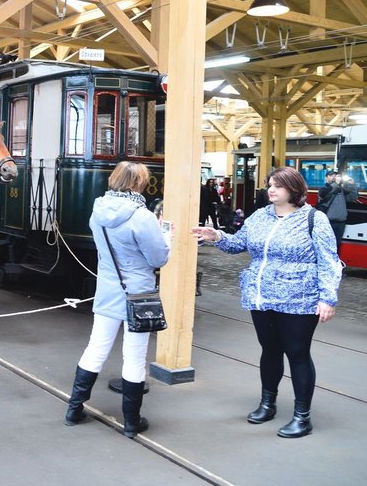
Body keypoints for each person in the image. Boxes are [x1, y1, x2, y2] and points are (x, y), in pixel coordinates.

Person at [192, 166, 342, 439]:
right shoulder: (260, 216)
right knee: (269, 350)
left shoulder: (314, 219)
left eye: (278, 186)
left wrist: (327, 298)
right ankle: (267, 404)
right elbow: (239, 244)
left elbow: (329, 261)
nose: (270, 190)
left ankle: (302, 416)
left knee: (297, 353)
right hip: (262, 296)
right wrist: (217, 237)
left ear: (294, 190)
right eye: (269, 184)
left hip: (300, 299)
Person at [64, 161, 171, 437]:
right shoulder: (143, 216)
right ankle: (131, 423)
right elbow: (158, 258)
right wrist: (164, 236)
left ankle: (74, 410)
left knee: (96, 348)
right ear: (137, 184)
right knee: (134, 358)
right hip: (138, 294)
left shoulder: (97, 210)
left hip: (108, 290)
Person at [317, 171, 357, 251]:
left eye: (336, 176)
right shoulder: (324, 189)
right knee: (327, 245)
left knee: (337, 245)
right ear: (326, 178)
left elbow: (353, 198)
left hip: (341, 223)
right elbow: (325, 194)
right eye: (332, 176)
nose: (334, 177)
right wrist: (336, 184)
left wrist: (352, 185)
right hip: (329, 222)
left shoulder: (341, 190)